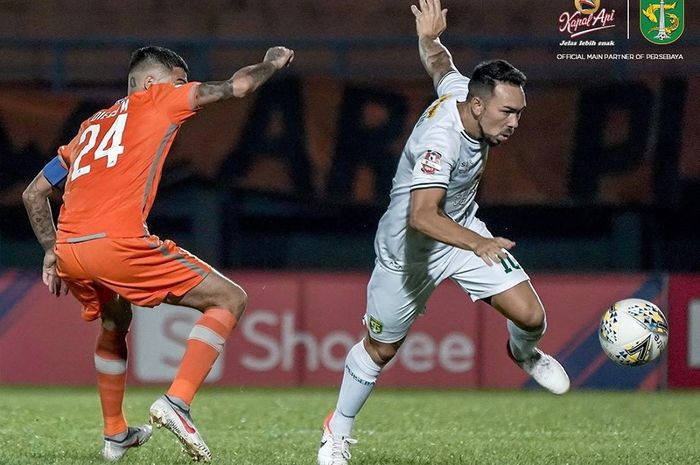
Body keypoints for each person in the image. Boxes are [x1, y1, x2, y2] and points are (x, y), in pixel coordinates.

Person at [316, 1, 569, 464]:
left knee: (531, 317)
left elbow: (442, 66)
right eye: (507, 112)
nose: (514, 123)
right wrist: (479, 244)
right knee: (381, 348)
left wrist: (429, 38)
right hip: (409, 251)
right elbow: (422, 216)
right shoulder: (442, 141)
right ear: (478, 105)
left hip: (462, 230)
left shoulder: (462, 92)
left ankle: (524, 354)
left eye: (519, 113)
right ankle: (338, 430)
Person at [23, 44, 294, 462]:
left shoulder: (90, 127)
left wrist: (49, 250)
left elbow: (35, 193)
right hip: (117, 244)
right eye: (179, 81)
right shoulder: (159, 100)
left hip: (70, 250)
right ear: (151, 83)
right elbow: (239, 86)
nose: (185, 89)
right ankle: (177, 402)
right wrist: (273, 62)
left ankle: (115, 434)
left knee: (115, 321)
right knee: (230, 298)